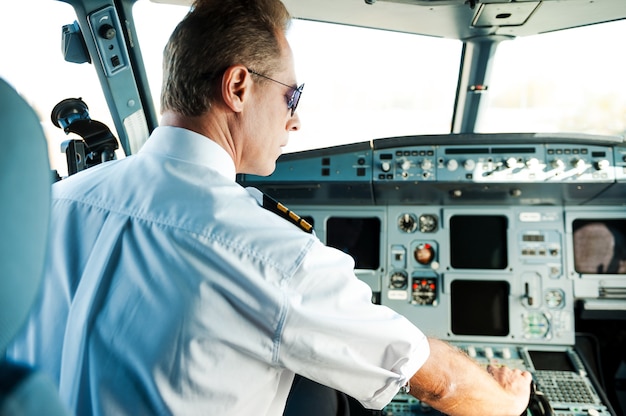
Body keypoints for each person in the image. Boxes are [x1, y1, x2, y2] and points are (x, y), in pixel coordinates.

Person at [7, 0, 532, 414]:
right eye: (292, 96)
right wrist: (508, 402)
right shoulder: (273, 256)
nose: (295, 121)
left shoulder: (54, 204)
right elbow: (437, 383)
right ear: (238, 86)